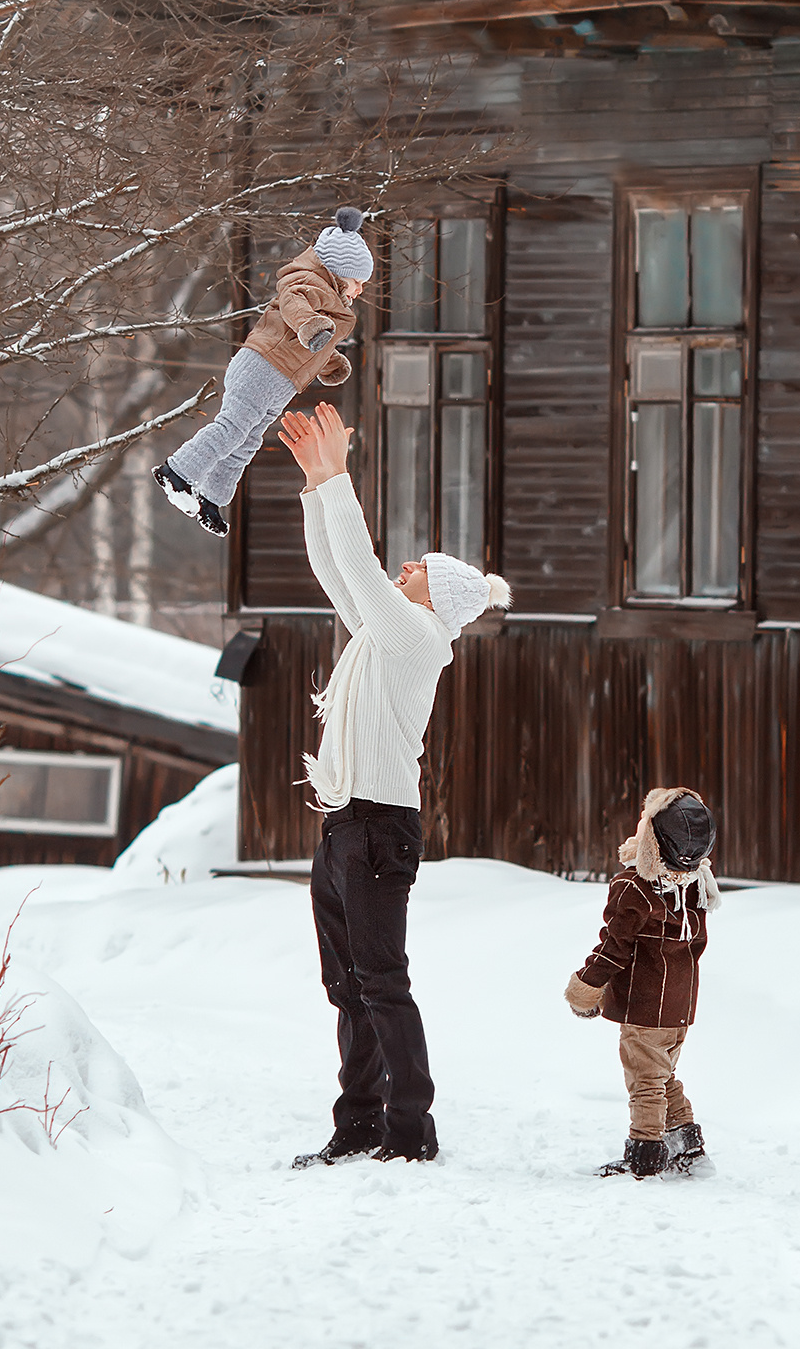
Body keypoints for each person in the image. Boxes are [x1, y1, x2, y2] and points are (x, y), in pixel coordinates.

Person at [278, 402, 511, 1166]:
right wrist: (317, 484)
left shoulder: (417, 637)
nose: (405, 568)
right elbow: (339, 572)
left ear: (435, 600)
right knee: (347, 985)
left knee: (380, 981)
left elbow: (365, 570)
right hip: (348, 822)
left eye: (418, 570)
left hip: (379, 828)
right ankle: (359, 1125)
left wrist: (339, 476)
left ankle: (410, 1129)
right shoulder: (385, 632)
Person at [152, 207, 372, 538]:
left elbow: (307, 343)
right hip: (262, 367)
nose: (360, 291)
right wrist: (312, 328)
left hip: (279, 380)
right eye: (358, 282)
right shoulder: (308, 282)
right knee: (232, 429)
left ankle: (212, 497)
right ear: (340, 272)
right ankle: (177, 471)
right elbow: (295, 307)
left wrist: (329, 358)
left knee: (247, 441)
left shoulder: (331, 300)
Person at [565, 787, 720, 1180]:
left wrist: (585, 987)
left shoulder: (635, 888)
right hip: (680, 1008)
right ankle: (688, 1145)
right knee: (663, 1075)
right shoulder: (695, 885)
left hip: (646, 1007)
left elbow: (613, 949)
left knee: (645, 1081)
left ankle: (645, 1154)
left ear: (651, 836)